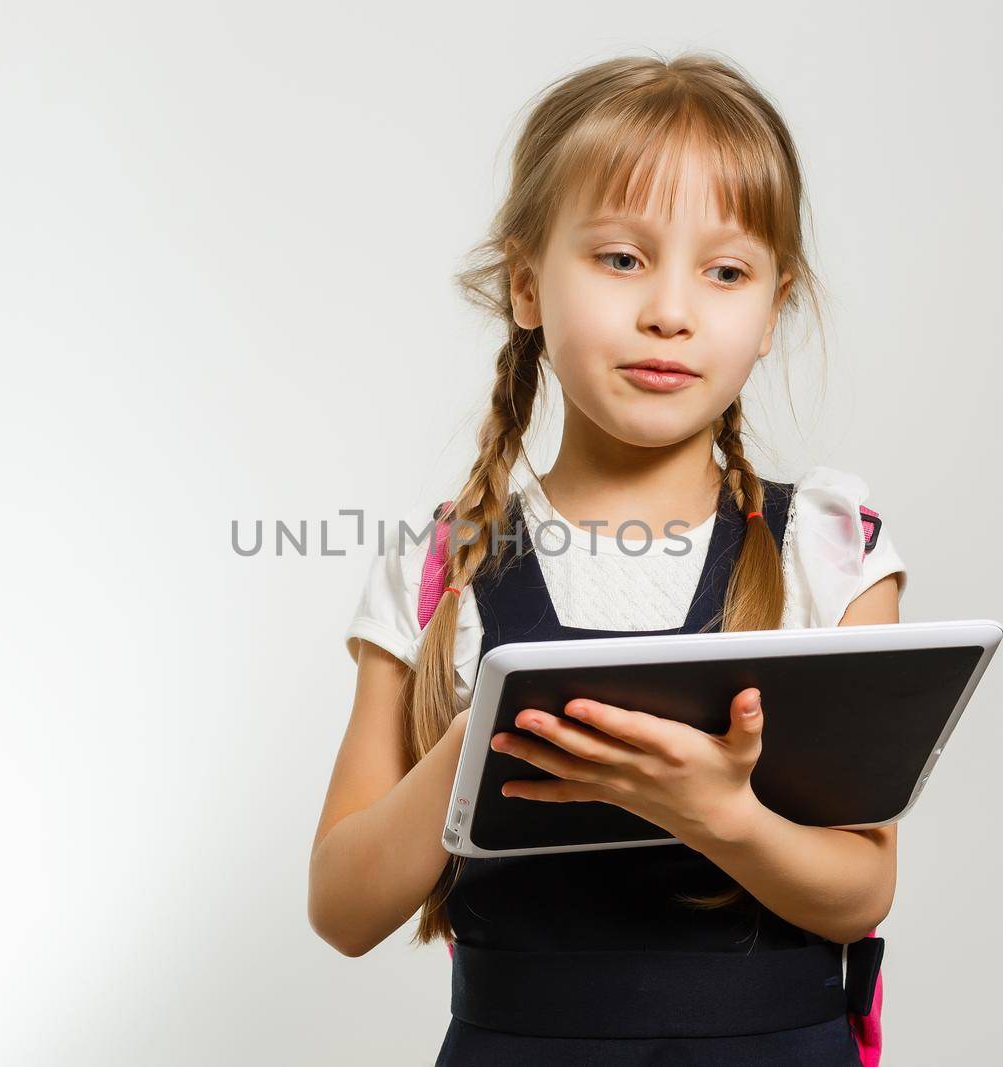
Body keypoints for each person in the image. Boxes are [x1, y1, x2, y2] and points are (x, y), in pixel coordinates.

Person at [308, 50, 908, 1065]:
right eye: (622, 258)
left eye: (724, 270)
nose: (670, 311)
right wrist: (475, 741)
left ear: (772, 310)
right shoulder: (443, 559)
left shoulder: (828, 546)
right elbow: (342, 905)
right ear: (528, 284)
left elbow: (859, 891)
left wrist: (718, 813)